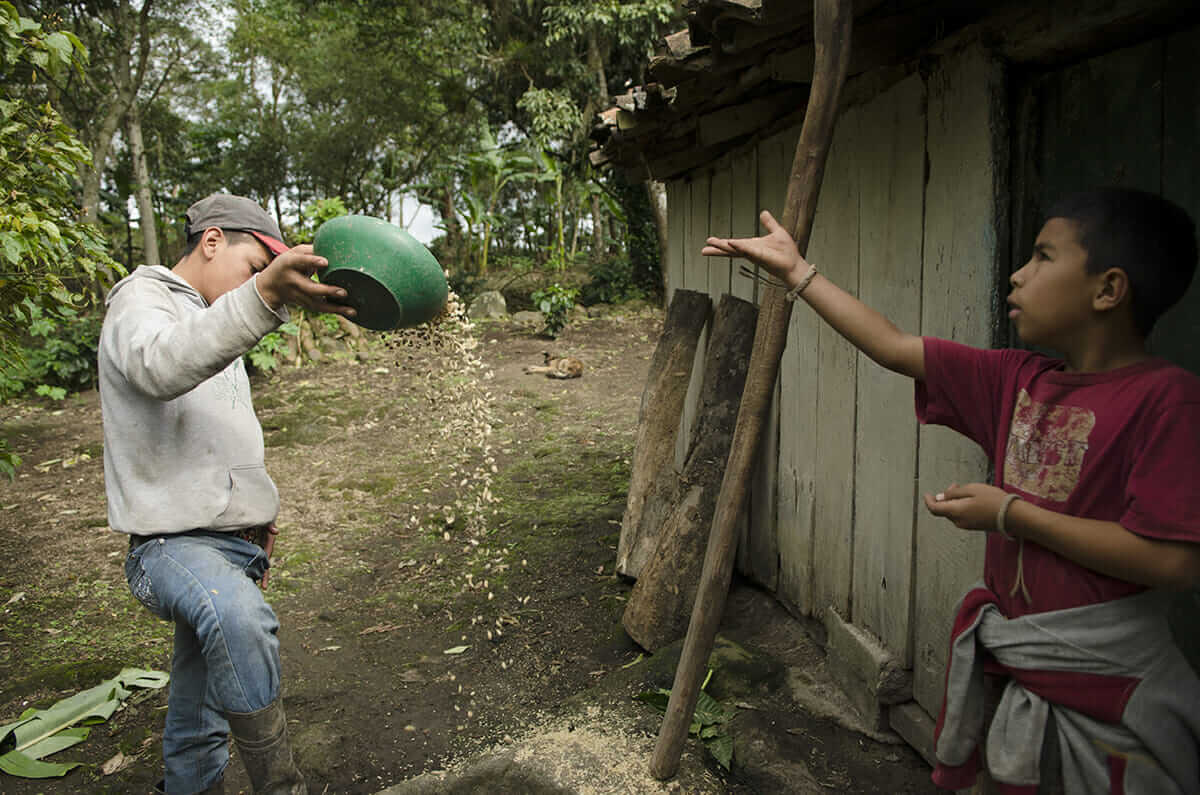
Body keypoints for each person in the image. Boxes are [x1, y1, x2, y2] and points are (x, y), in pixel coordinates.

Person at [702, 187, 1200, 793]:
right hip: (1023, 680)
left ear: (1107, 289)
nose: (1018, 274)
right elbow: (891, 345)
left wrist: (1012, 514)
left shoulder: (1167, 399)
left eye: (1044, 257)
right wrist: (797, 272)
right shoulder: (1018, 379)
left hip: (1115, 694)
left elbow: (1172, 561)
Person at [100, 194, 356, 794]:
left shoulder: (217, 313)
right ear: (212, 241)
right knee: (237, 618)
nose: (255, 283)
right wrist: (262, 294)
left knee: (201, 708)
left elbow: (218, 436)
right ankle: (280, 785)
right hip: (168, 547)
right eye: (251, 267)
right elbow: (161, 367)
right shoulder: (142, 300)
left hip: (235, 546)